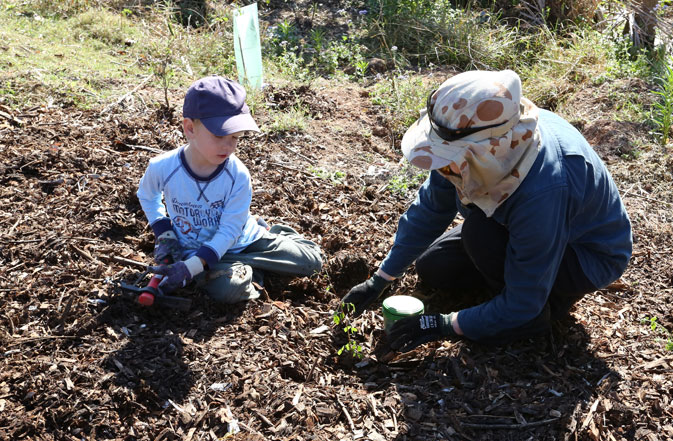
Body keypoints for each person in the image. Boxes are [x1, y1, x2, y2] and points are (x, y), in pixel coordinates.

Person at [341, 70, 632, 353]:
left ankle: (537, 316)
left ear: (486, 151)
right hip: (519, 225)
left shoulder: (545, 188)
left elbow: (523, 299)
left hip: (581, 253)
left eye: (447, 158)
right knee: (434, 267)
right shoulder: (479, 147)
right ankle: (499, 300)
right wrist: (381, 278)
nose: (442, 168)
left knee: (482, 238)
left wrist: (443, 324)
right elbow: (431, 209)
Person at [137, 75, 324, 303]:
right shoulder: (163, 167)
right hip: (195, 250)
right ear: (189, 128)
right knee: (228, 290)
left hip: (244, 240)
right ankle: (248, 269)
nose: (229, 146)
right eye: (219, 135)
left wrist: (191, 269)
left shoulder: (236, 175)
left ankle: (270, 235)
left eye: (235, 137)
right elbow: (147, 196)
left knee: (313, 263)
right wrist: (164, 232)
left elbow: (229, 231)